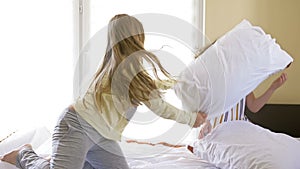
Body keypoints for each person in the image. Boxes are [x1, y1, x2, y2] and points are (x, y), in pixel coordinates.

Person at [0, 14, 206, 169]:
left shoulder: (121, 68)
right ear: (137, 37)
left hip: (103, 136)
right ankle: (24, 154)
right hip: (77, 127)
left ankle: (68, 159)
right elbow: (159, 106)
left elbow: (150, 86)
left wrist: (179, 81)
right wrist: (191, 119)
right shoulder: (124, 69)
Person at [198, 72, 288, 139]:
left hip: (239, 129)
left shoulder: (244, 82)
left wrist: (272, 88)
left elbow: (254, 107)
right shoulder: (212, 82)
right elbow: (203, 109)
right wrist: (206, 122)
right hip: (216, 130)